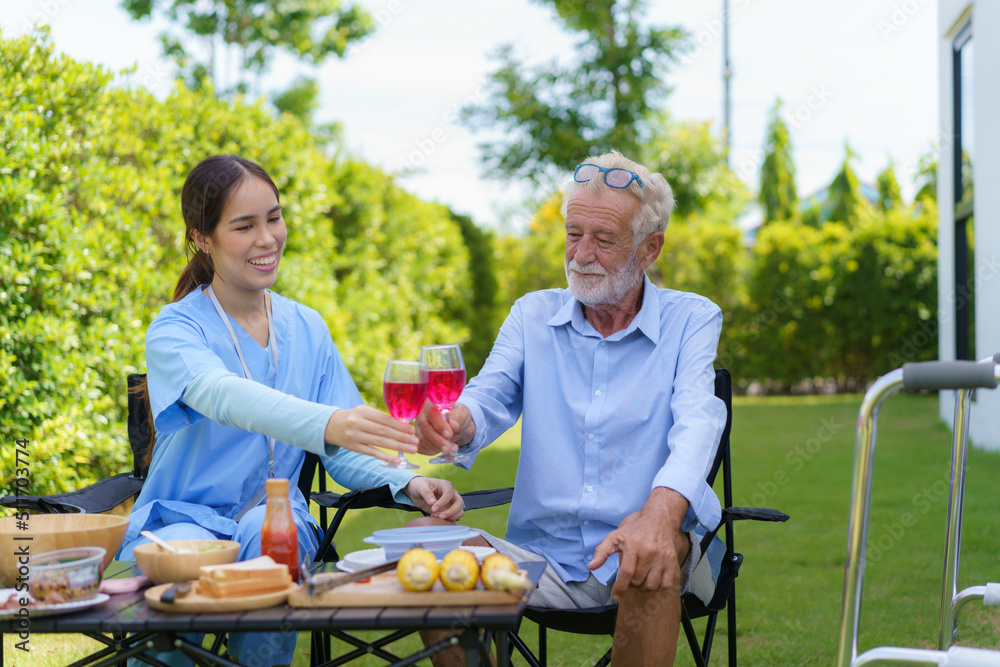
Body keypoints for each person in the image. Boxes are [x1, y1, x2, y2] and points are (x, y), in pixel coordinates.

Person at [119, 154, 465, 667]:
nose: (267, 239)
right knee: (179, 569)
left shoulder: (308, 328)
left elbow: (345, 450)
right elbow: (221, 393)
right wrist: (329, 422)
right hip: (182, 517)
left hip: (276, 516)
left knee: (269, 534)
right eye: (244, 225)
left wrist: (407, 482)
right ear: (202, 238)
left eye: (274, 217)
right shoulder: (175, 330)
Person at [414, 151, 727, 666]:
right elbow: (488, 393)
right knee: (422, 545)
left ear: (650, 248)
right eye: (573, 233)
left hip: (647, 545)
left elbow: (699, 420)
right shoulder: (531, 314)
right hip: (538, 561)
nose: (581, 254)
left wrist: (658, 516)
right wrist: (456, 424)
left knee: (651, 553)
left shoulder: (690, 319)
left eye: (603, 240)